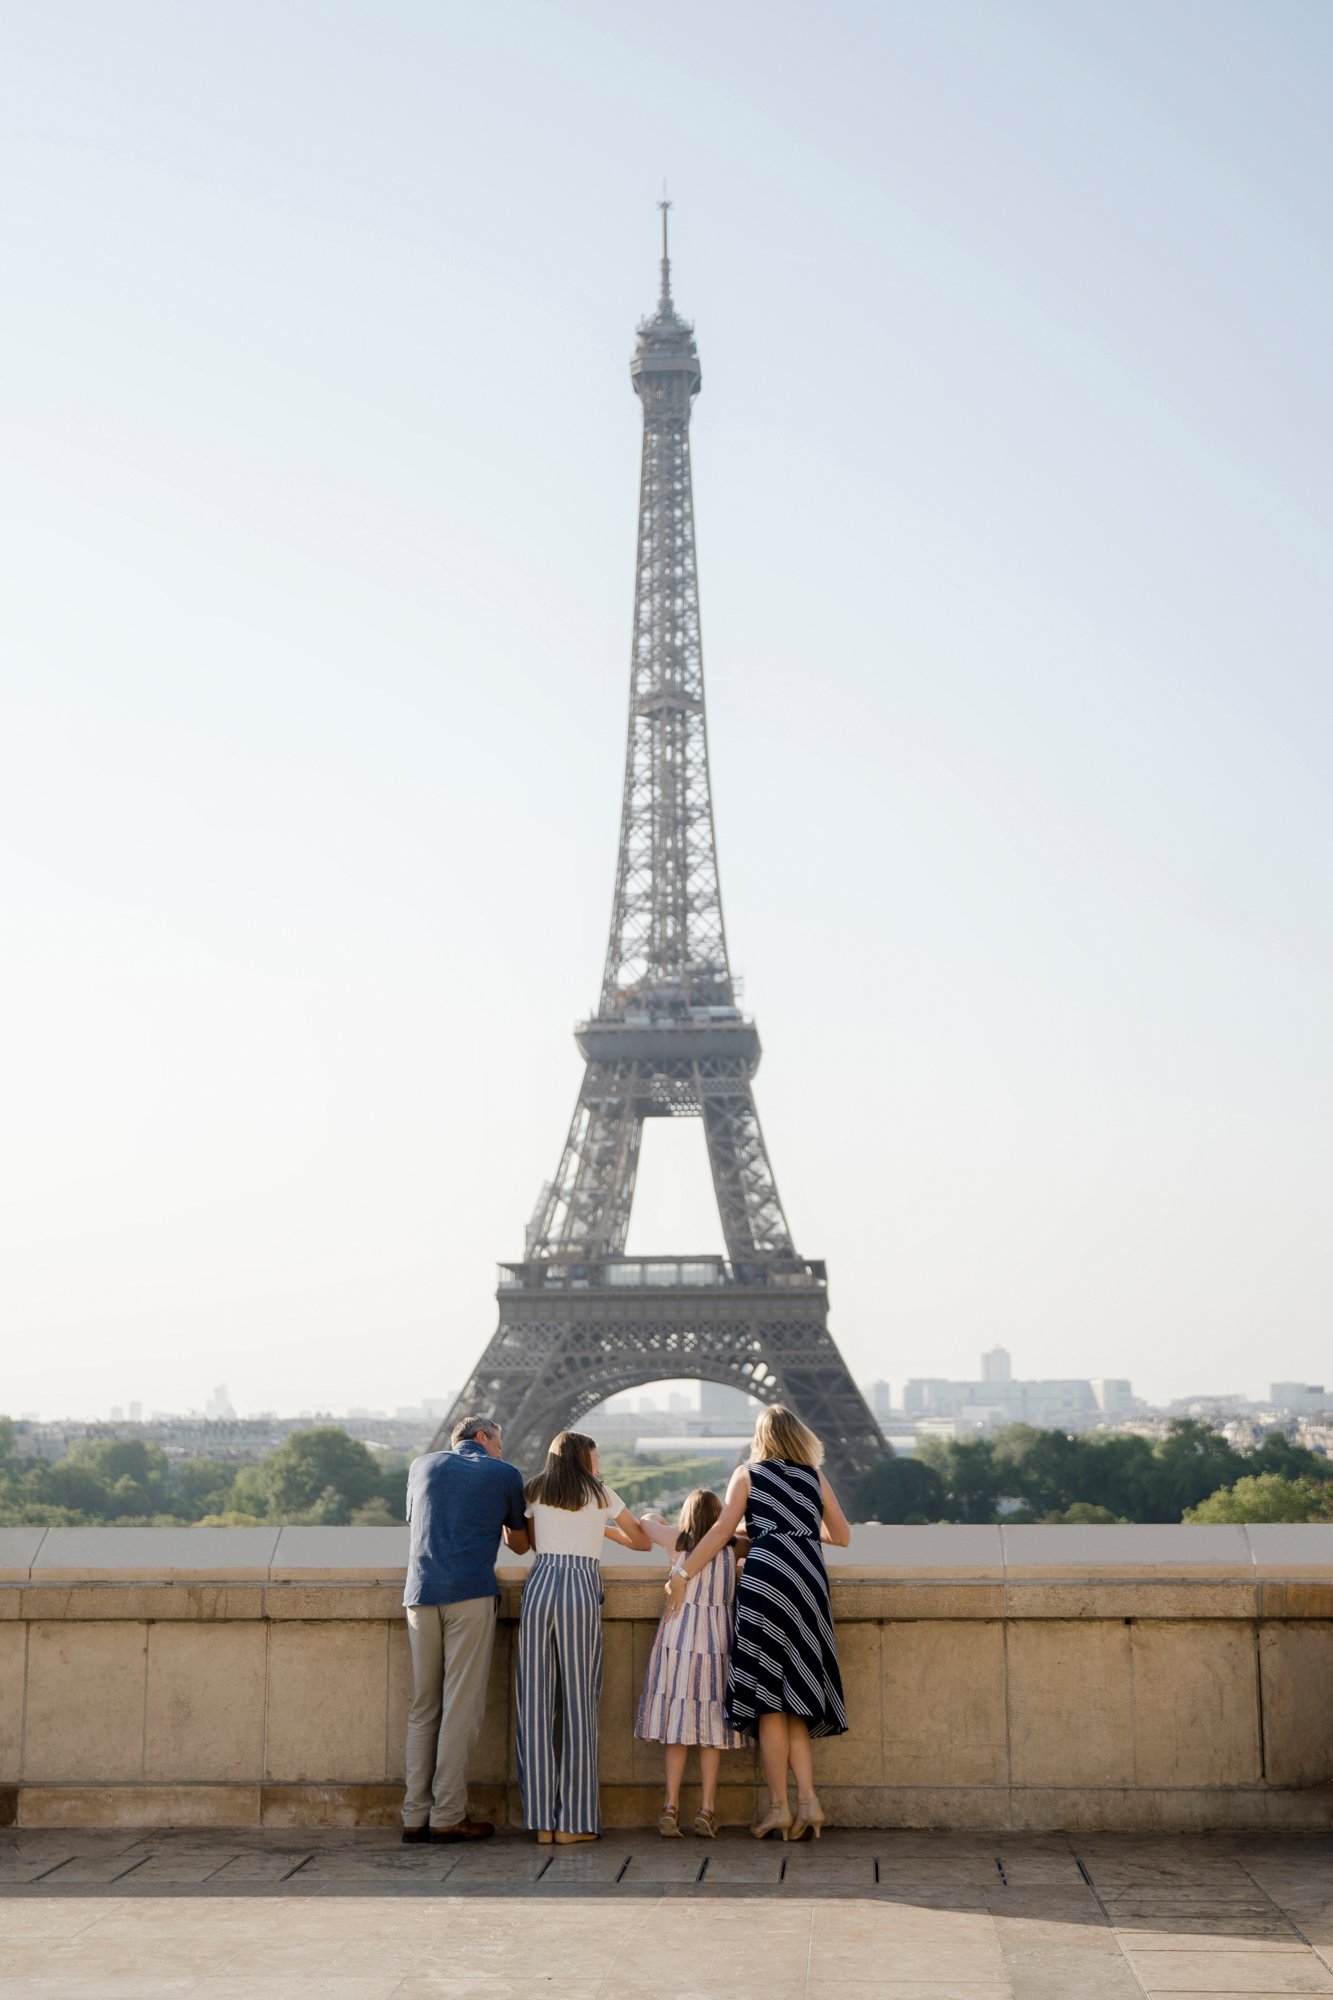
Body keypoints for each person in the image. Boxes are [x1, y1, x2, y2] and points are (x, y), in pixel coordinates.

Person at [663, 1405, 851, 1841]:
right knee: (799, 1698)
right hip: (807, 1577)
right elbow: (842, 1536)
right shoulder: (813, 1476)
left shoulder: (748, 1474)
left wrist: (683, 1573)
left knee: (769, 1701)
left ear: (760, 1437)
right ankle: (810, 1802)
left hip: (767, 1578)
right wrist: (798, 1529)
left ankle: (779, 1808)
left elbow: (720, 1532)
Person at [516, 1430, 652, 1843]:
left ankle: (541, 1823)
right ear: (583, 1459)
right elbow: (643, 1542)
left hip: (539, 1588)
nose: (599, 1463)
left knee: (534, 1706)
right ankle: (573, 1823)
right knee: (579, 1704)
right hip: (579, 1587)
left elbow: (533, 1543)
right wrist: (602, 1530)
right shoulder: (601, 1494)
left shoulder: (534, 1489)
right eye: (595, 1456)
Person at [401, 1415, 529, 1843]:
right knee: (460, 1708)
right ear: (482, 1438)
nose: (501, 1451)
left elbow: (418, 1520)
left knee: (423, 1708)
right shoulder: (505, 1474)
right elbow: (520, 1542)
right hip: (470, 1594)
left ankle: (414, 1815)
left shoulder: (422, 1465)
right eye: (499, 1443)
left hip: (420, 1594)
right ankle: (448, 1815)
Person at [635, 1487, 748, 1837]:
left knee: (677, 1730)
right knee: (712, 1733)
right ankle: (706, 1809)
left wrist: (670, 1523)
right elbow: (750, 1533)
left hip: (679, 1641)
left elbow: (645, 1520)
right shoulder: (733, 1548)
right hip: (716, 1642)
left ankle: (670, 1806)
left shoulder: (677, 1542)